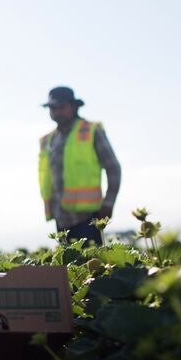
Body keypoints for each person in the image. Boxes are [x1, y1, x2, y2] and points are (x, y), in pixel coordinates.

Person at [38, 86, 122, 246]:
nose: (56, 111)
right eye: (52, 108)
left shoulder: (91, 131)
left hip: (88, 219)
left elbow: (113, 168)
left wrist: (108, 203)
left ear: (73, 106)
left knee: (93, 268)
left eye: (60, 107)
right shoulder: (49, 140)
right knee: (68, 269)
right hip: (61, 221)